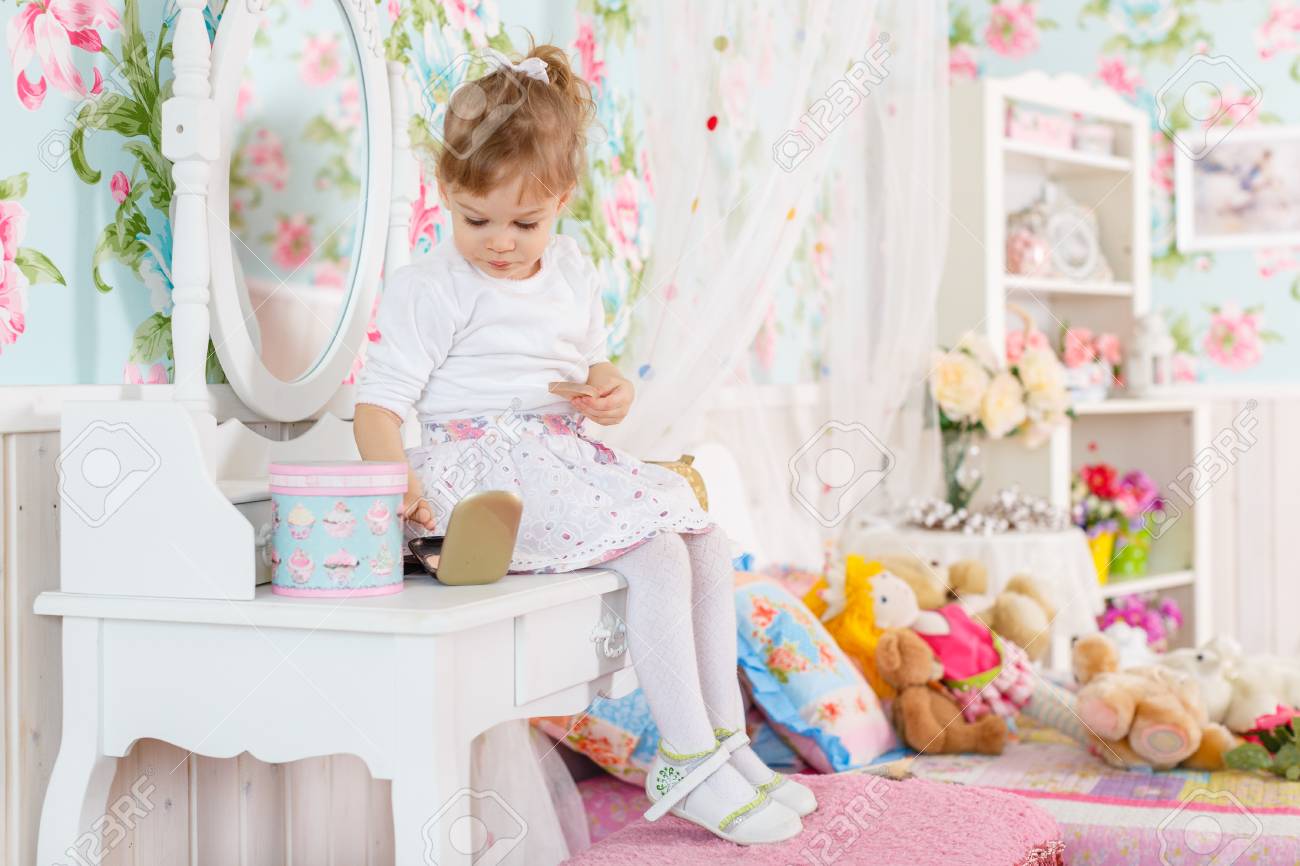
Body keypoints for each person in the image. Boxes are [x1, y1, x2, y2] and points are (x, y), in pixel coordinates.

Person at [353, 42, 813, 845]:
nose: (500, 240)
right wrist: (394, 481)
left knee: (705, 541)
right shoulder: (431, 288)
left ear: (562, 200)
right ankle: (684, 756)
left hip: (562, 456)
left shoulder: (569, 269)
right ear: (447, 196)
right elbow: (378, 406)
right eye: (476, 218)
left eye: (524, 221)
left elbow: (587, 362)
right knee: (658, 556)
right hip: (483, 480)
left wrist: (610, 390)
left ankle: (720, 742)